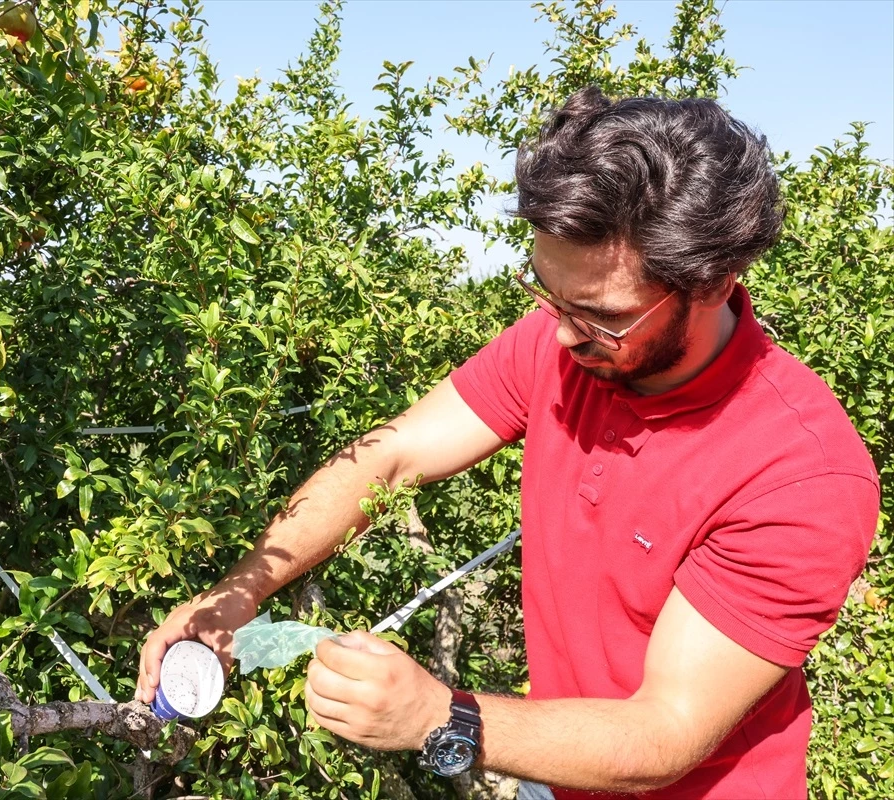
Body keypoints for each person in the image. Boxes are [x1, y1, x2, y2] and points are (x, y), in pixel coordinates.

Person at [135, 86, 880, 799]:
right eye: (546, 294)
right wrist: (235, 596)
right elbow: (391, 455)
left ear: (713, 282)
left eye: (598, 313)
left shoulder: (800, 475)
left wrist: (438, 715)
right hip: (552, 773)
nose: (559, 332)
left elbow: (666, 731)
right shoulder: (563, 345)